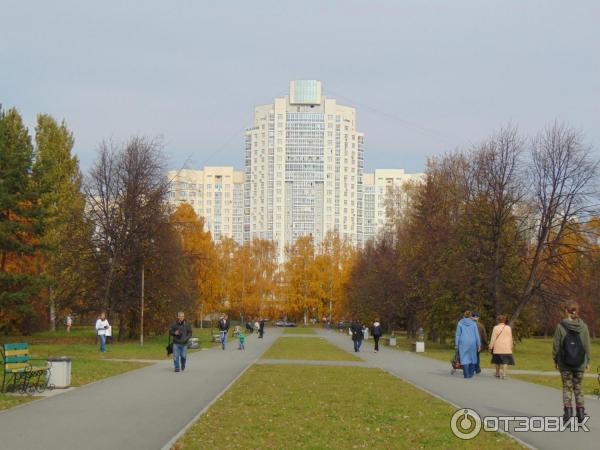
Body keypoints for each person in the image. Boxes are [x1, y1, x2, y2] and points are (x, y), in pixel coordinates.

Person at [552, 301, 591, 424]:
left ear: (566, 311)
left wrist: (556, 360)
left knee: (567, 388)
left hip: (565, 362)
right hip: (580, 363)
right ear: (576, 311)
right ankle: (580, 413)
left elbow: (556, 345)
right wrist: (588, 361)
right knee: (578, 387)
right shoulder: (583, 326)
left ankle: (568, 412)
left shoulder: (561, 326)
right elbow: (587, 345)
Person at [454, 310, 481, 379]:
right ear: (470, 316)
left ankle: (466, 374)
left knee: (464, 358)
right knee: (472, 357)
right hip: (472, 342)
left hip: (463, 342)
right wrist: (479, 344)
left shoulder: (460, 322)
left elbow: (458, 335)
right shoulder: (473, 323)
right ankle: (471, 374)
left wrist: (456, 344)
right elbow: (477, 335)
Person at [488, 314, 514, 380]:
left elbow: (493, 338)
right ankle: (504, 374)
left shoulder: (495, 328)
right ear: (504, 320)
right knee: (505, 361)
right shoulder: (508, 328)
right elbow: (511, 338)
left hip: (498, 347)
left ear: (498, 320)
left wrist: (491, 346)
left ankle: (497, 373)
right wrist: (511, 346)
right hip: (506, 347)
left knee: (497, 361)